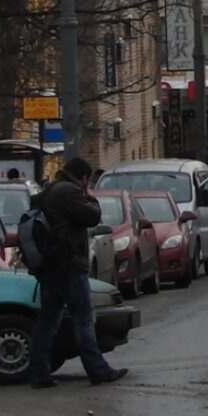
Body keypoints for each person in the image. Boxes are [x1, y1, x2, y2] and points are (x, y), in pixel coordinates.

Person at [27, 156, 124, 388]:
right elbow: (92, 216)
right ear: (83, 178)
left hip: (50, 266)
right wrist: (91, 197)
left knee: (48, 321)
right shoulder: (69, 191)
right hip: (68, 265)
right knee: (84, 318)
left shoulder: (51, 190)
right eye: (88, 181)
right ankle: (98, 371)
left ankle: (39, 373)